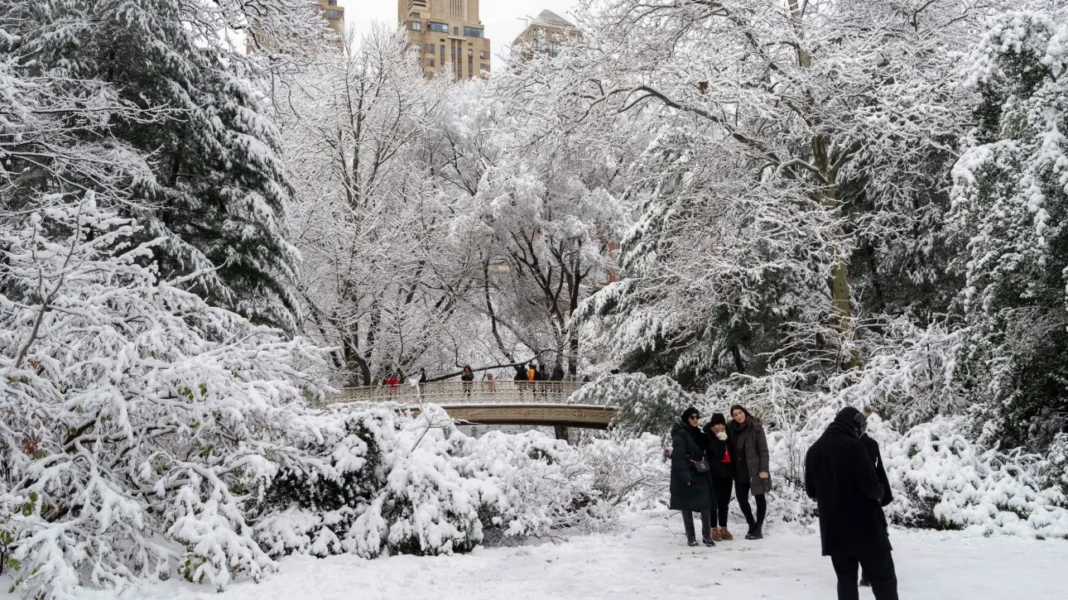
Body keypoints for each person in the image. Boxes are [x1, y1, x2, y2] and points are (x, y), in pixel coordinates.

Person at [805, 407, 898, 600]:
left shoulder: (814, 450)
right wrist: (881, 492)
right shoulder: (855, 446)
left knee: (845, 581)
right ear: (855, 424)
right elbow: (870, 486)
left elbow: (811, 491)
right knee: (883, 580)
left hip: (834, 530)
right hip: (866, 528)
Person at [669, 406, 717, 547]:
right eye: (692, 417)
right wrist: (686, 477)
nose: (695, 420)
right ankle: (691, 537)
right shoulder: (680, 433)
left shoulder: (697, 433)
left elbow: (708, 444)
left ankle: (707, 536)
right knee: (687, 505)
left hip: (699, 472)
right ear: (686, 418)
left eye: (697, 417)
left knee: (705, 504)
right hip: (687, 473)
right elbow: (678, 457)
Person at [859, 407, 893, 588]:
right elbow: (878, 470)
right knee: (871, 537)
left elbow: (877, 469)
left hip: (862, 496)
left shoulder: (851, 445)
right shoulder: (870, 444)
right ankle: (868, 574)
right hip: (870, 496)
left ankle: (866, 574)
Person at [726, 404, 770, 540]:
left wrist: (763, 470)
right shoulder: (730, 428)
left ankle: (759, 528)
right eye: (735, 415)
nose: (739, 416)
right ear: (732, 417)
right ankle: (751, 524)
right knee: (741, 498)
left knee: (759, 497)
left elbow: (763, 451)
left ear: (745, 412)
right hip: (739, 470)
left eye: (740, 413)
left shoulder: (756, 427)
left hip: (755, 469)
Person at [703, 413, 735, 541]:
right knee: (714, 502)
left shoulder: (726, 436)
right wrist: (721, 440)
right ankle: (714, 528)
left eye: (722, 424)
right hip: (714, 474)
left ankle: (723, 527)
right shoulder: (708, 437)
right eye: (717, 424)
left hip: (727, 473)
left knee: (724, 502)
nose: (720, 427)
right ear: (712, 425)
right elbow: (719, 454)